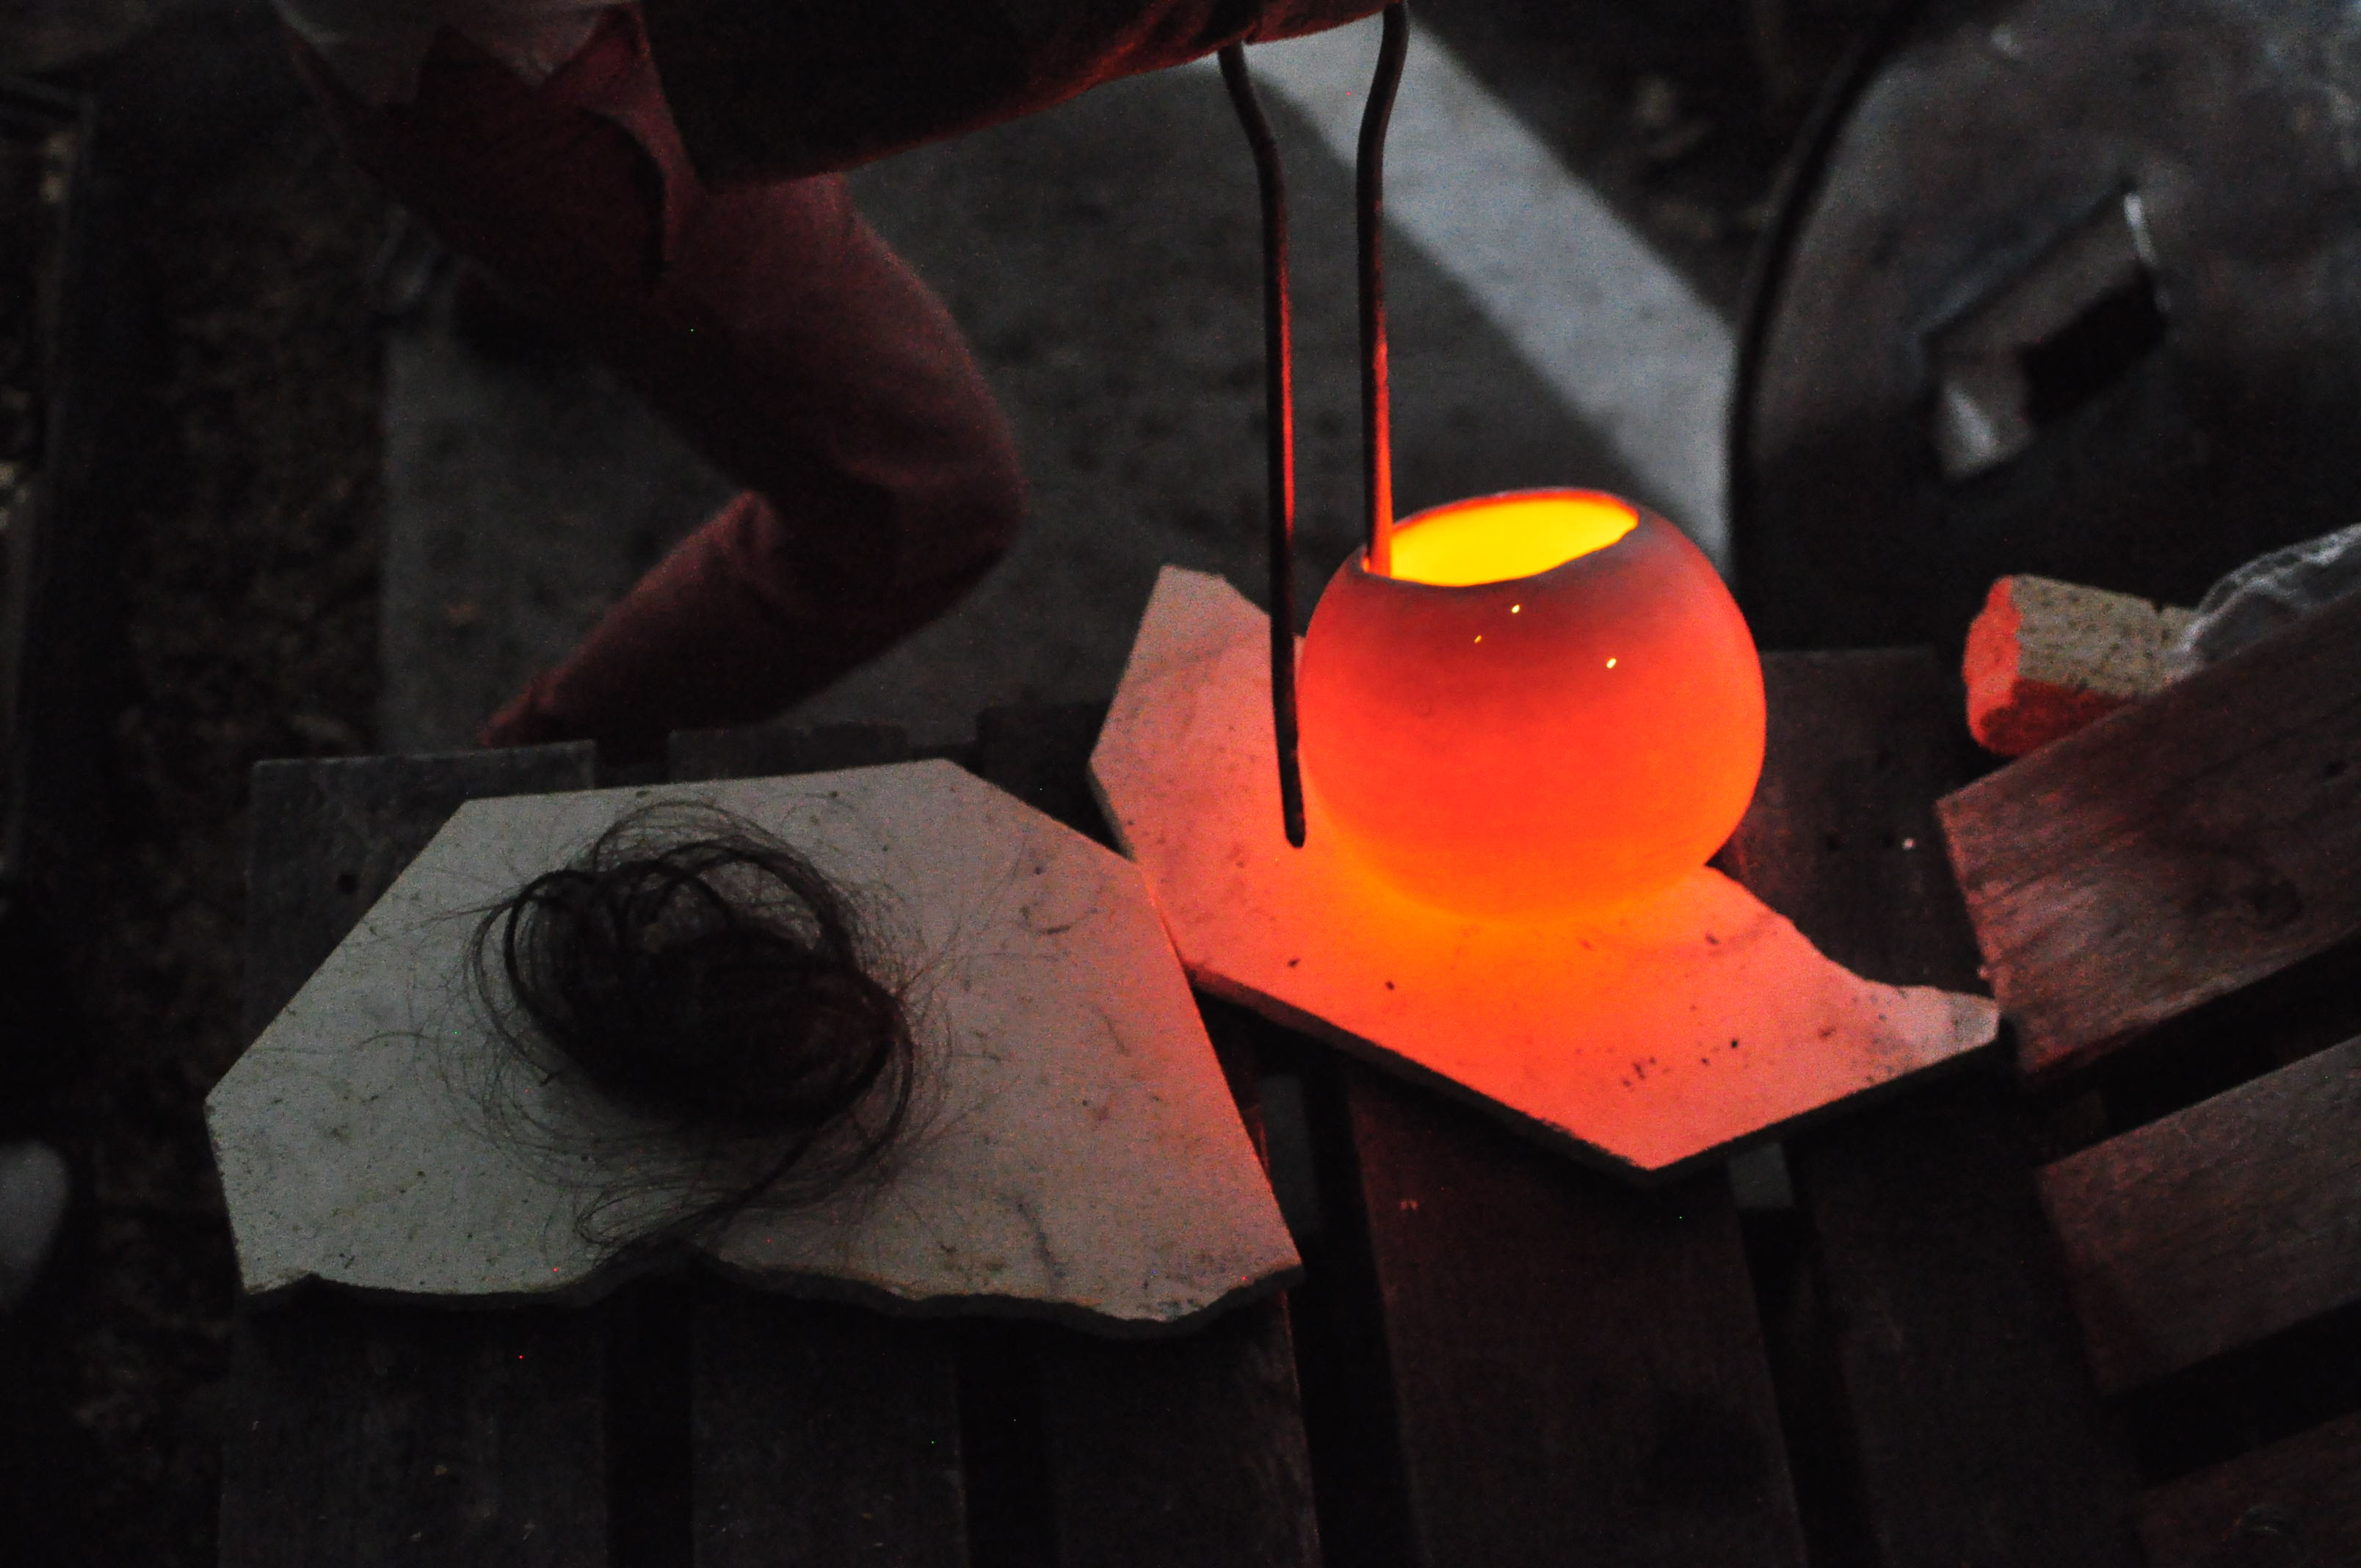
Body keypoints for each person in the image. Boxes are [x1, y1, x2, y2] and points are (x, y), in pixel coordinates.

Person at [274, 0, 1383, 765]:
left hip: (443, 45)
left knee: (589, 252)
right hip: (537, 76)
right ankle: (523, 776)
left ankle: (548, 275)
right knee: (923, 500)